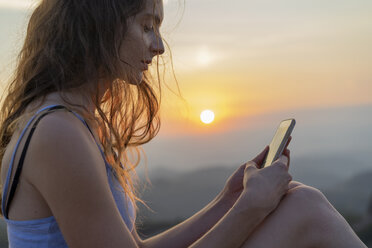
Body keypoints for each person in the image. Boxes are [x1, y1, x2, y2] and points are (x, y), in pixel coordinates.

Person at [0, 0, 366, 247]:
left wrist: (227, 201)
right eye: (147, 26)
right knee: (306, 207)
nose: (158, 46)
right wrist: (250, 207)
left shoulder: (68, 123)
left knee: (303, 200)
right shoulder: (57, 133)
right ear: (98, 25)